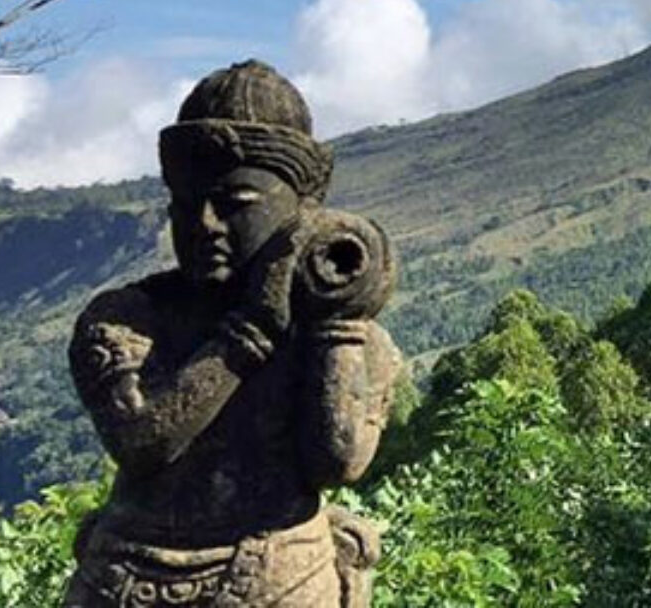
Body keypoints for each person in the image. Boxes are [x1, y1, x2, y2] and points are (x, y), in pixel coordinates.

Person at [64, 61, 400, 608]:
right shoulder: (126, 319)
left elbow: (337, 462)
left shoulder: (343, 336)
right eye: (184, 202)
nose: (204, 223)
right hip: (125, 573)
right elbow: (144, 442)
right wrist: (247, 335)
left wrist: (334, 324)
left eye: (234, 205)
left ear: (301, 212)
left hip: (281, 571)